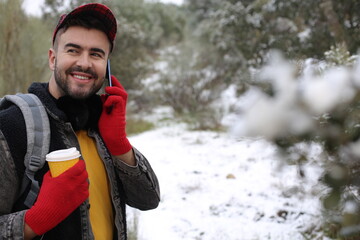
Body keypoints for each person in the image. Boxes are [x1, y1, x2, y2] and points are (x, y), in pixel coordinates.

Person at [0, 3, 160, 240]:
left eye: (96, 54)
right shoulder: (12, 126)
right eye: (73, 50)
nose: (84, 63)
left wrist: (120, 145)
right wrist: (34, 221)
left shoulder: (101, 126)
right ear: (53, 59)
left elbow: (148, 200)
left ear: (106, 66)